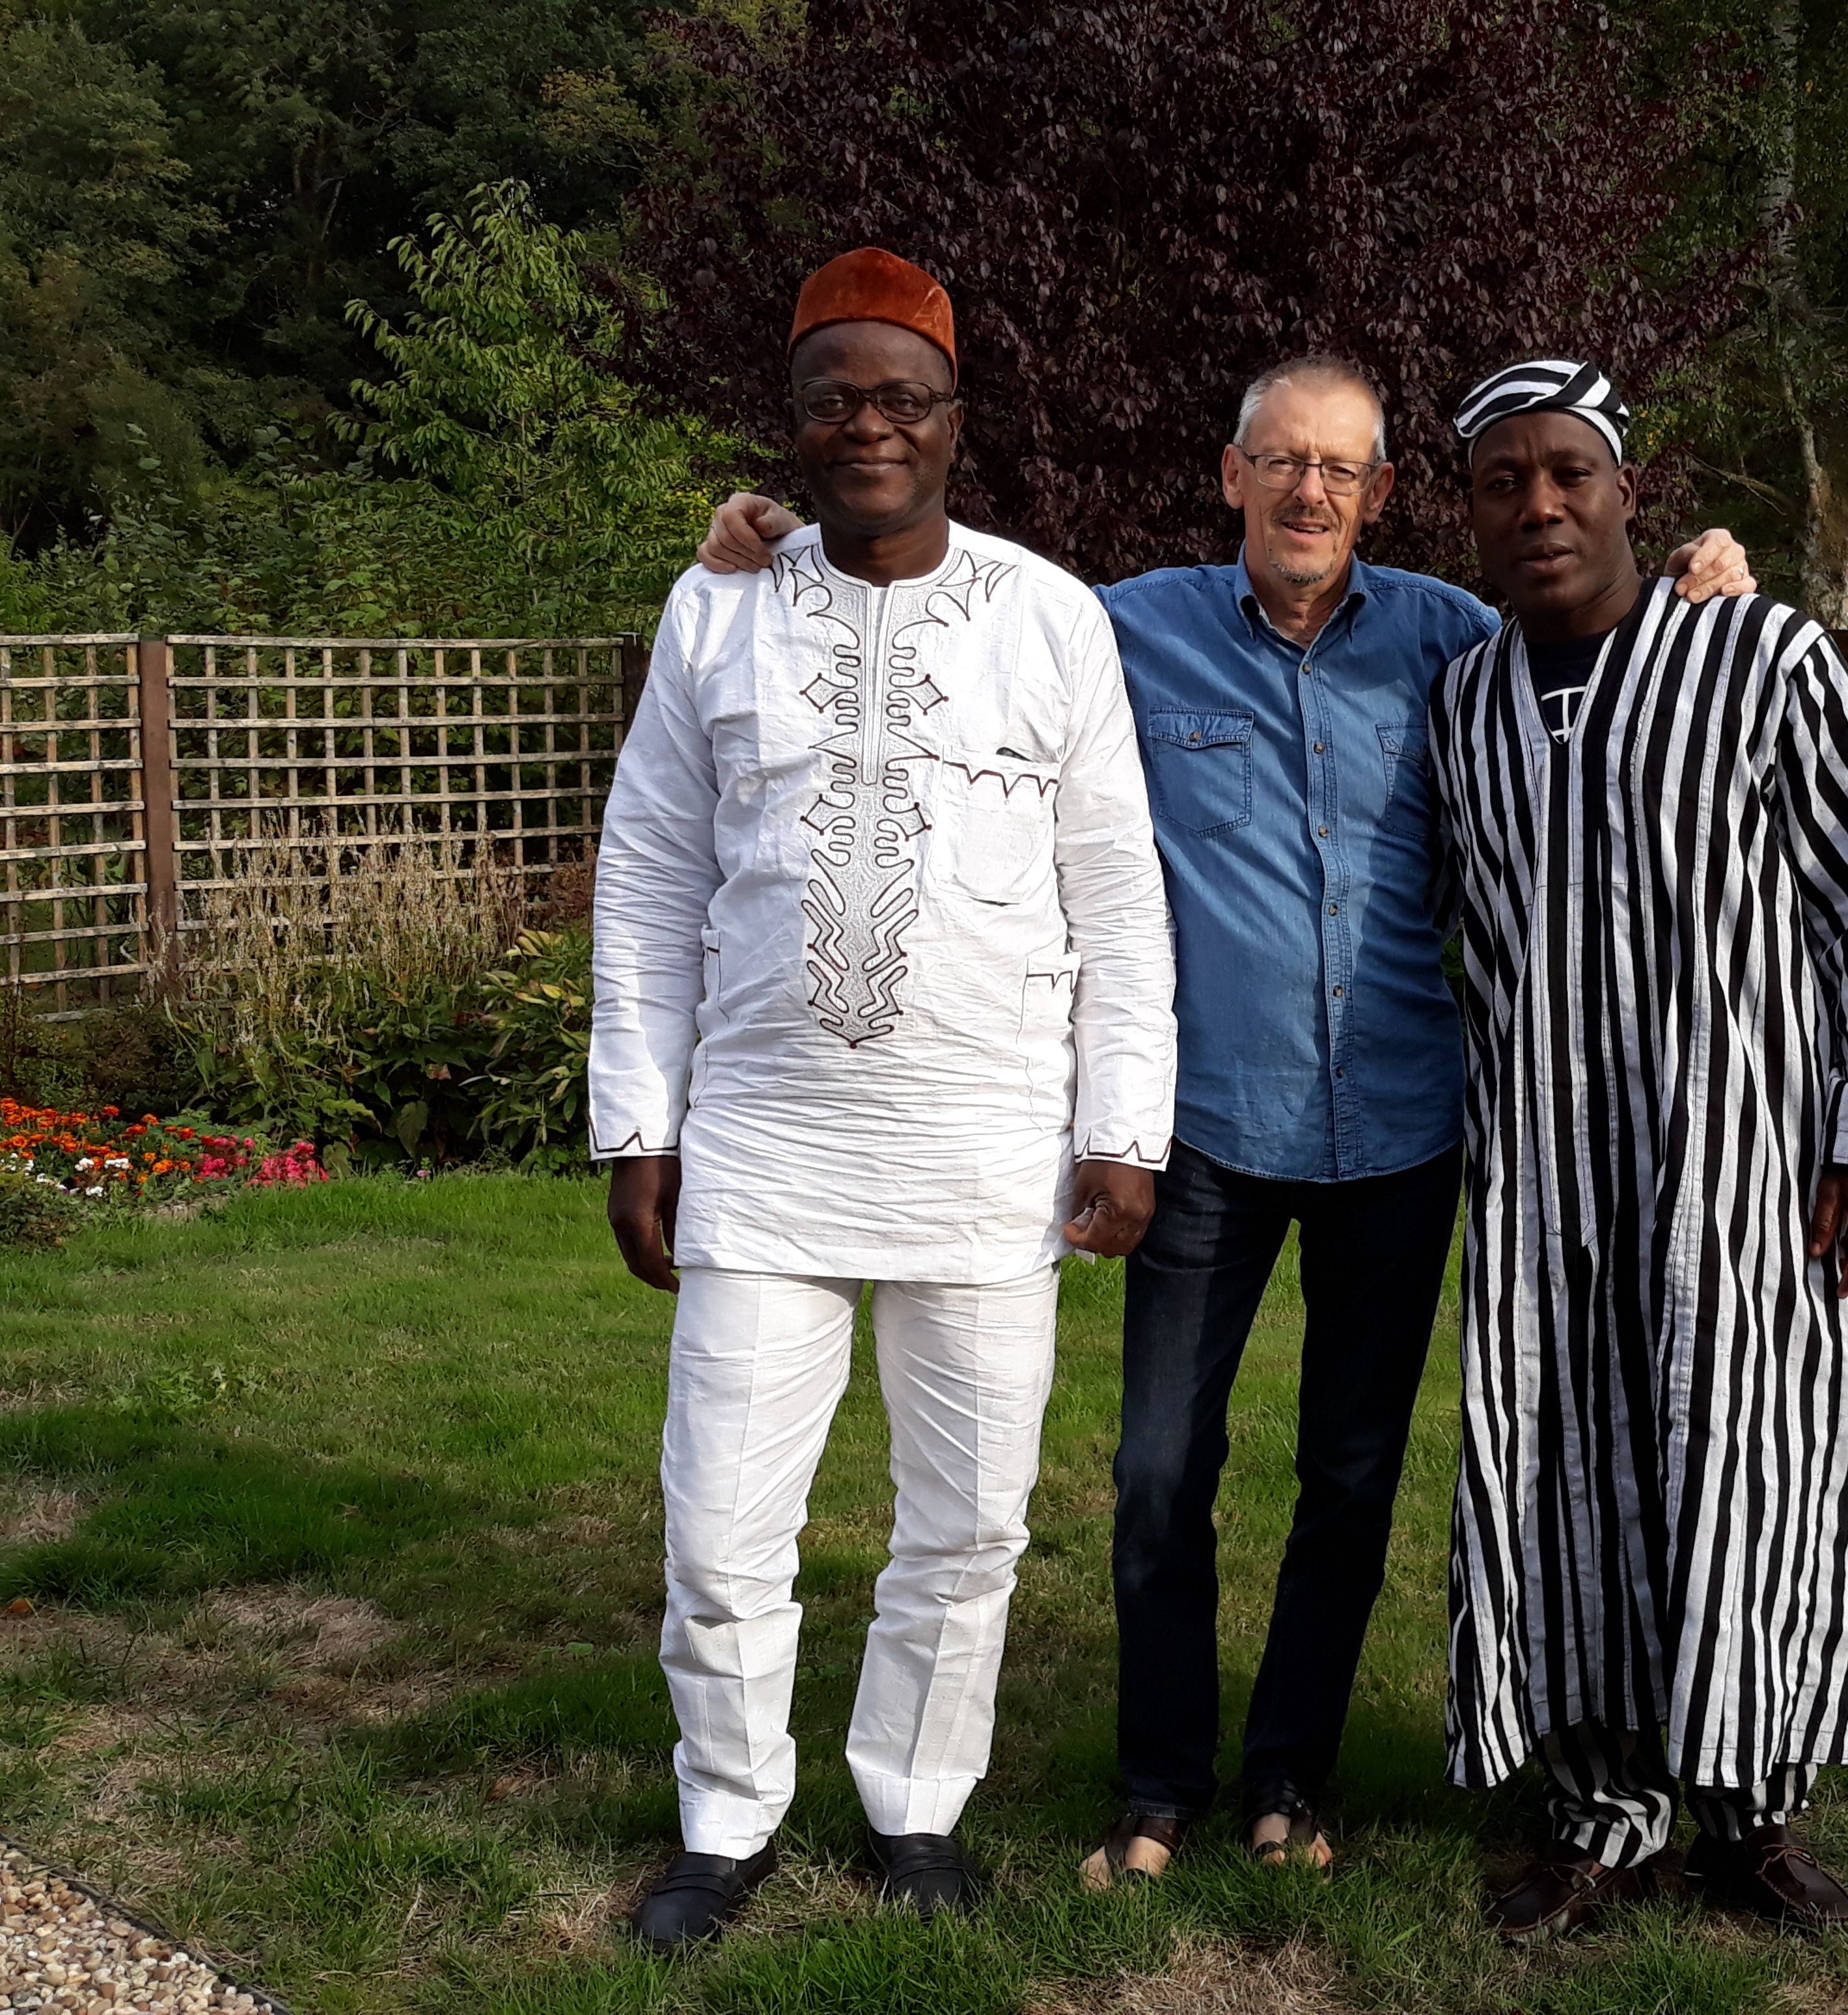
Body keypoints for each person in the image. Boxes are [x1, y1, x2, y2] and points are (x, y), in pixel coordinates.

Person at [695, 359, 1753, 1885]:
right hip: (1203, 1131)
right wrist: (785, 538)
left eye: (1341, 468)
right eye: (1283, 461)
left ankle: (1290, 1780)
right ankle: (1158, 1785)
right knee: (1157, 1476)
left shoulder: (1454, 641)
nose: (1310, 490)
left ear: (1381, 494)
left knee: (1350, 1477)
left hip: (1402, 1130)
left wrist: (1704, 569)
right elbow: (950, 591)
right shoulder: (1123, 628)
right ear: (1232, 475)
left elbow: (1599, 628)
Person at [590, 247, 1176, 1949]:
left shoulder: (1049, 617)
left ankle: (918, 1809)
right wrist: (640, 1125)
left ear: (954, 420)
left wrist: (1123, 1129)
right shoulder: (718, 607)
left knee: (970, 1526)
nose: (869, 427)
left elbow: (1117, 892)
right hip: (763, 1141)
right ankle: (726, 1819)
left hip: (988, 1147)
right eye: (833, 399)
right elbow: (650, 871)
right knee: (722, 1526)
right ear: (790, 420)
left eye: (901, 398)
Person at [1427, 359, 1848, 1943]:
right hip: (1548, 1187)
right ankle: (1600, 1810)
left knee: (1747, 1465)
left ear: (1626, 490)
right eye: (1504, 482)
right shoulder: (1464, 702)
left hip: (1745, 1176)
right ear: (1472, 513)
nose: (1539, 506)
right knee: (1567, 1476)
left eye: (1567, 473)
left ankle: (1752, 1809)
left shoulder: (1760, 656)